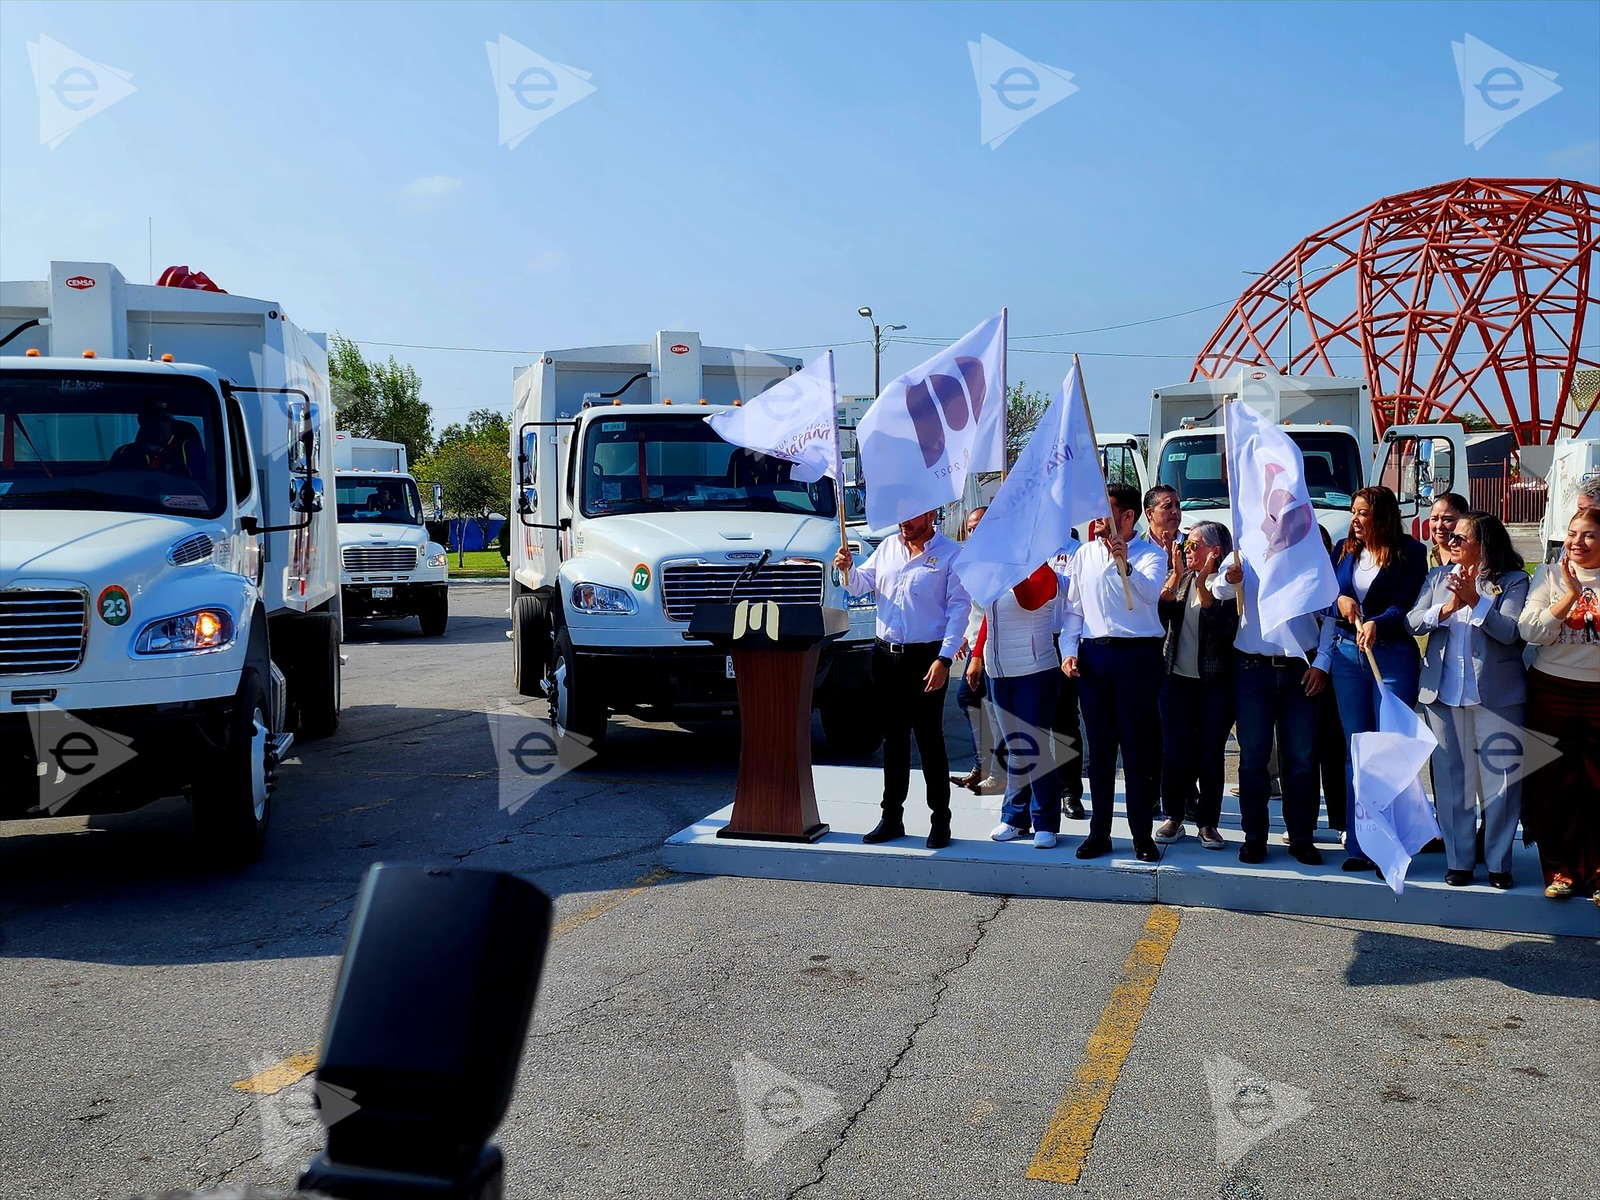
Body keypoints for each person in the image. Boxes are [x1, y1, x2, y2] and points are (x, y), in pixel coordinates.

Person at [1407, 511, 1529, 888]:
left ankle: (1498, 864)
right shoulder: (1438, 577)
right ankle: (1459, 861)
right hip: (1443, 695)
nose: (1451, 541)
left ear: (1483, 544)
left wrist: (1476, 601)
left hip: (1497, 695)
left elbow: (1510, 633)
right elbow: (1412, 621)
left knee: (1501, 783)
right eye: (1452, 537)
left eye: (1460, 538)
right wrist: (1445, 609)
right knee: (1451, 782)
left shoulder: (1513, 581)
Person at [835, 510, 970, 849]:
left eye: (911, 517)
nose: (903, 523)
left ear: (930, 515)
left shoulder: (951, 554)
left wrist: (944, 658)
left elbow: (959, 609)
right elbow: (860, 585)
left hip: (925, 658)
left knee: (929, 740)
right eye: (900, 517)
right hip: (885, 657)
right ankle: (891, 817)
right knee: (893, 741)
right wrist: (846, 569)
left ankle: (940, 820)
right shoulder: (887, 549)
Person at [1324, 486, 1429, 873]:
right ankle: (1359, 843)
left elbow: (1406, 606)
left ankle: (1395, 840)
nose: (1355, 519)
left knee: (1389, 753)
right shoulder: (1342, 549)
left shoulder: (1411, 553)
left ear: (1382, 516)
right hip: (1348, 656)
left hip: (1393, 657)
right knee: (1359, 751)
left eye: (1363, 513)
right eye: (1353, 511)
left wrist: (1377, 622)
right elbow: (1326, 594)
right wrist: (1339, 601)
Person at [1060, 483, 1165, 862]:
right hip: (1095, 657)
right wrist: (1069, 651)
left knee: (1136, 750)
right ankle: (1099, 831)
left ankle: (1141, 835)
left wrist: (1127, 565)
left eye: (1106, 510)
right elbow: (1074, 609)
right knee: (1100, 752)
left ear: (1127, 516)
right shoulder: (1084, 554)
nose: (1097, 518)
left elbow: (1151, 594)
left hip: (1137, 657)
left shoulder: (1152, 555)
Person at [1210, 551, 1333, 866]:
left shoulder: (1307, 548)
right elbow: (1217, 590)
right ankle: (1255, 838)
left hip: (1301, 668)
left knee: (1302, 759)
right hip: (1253, 669)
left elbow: (1331, 609)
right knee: (1253, 760)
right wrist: (1228, 578)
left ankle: (1302, 837)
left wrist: (1322, 661)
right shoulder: (1244, 548)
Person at [1517, 507, 1600, 903]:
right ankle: (1561, 871)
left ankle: (1597, 873)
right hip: (1551, 691)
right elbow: (1529, 630)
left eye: (1588, 535)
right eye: (1572, 534)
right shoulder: (1548, 576)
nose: (1577, 543)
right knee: (1552, 785)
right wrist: (1568, 595)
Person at [971, 561, 1067, 848]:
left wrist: (1010, 574)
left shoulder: (1044, 572)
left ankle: (1046, 821)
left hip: (1035, 671)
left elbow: (1030, 600)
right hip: (999, 672)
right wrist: (977, 655)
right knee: (1014, 747)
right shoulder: (995, 571)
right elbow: (990, 616)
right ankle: (1014, 818)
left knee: (1034, 746)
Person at [1154, 521, 1237, 850]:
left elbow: (1223, 627)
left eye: (1194, 545)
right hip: (1176, 681)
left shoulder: (1229, 584)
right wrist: (1176, 573)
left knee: (1209, 754)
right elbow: (1162, 615)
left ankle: (1208, 823)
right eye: (1186, 545)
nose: (1187, 550)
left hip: (1215, 684)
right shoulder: (1183, 578)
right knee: (1175, 752)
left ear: (1214, 551)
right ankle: (1173, 816)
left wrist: (1204, 581)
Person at [952, 507, 1003, 794]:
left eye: (979, 526)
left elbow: (991, 613)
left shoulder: (1000, 562)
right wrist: (962, 636)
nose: (974, 533)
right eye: (970, 528)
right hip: (976, 646)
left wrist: (977, 655)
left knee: (994, 711)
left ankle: (998, 773)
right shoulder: (970, 561)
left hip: (994, 649)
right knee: (970, 701)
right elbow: (967, 607)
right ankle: (984, 765)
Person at [1049, 535, 1086, 820]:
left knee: (1064, 718)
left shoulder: (1075, 551)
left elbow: (1073, 592)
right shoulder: (1025, 545)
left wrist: (1042, 572)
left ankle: (1070, 791)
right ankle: (1035, 789)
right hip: (1029, 638)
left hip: (1064, 640)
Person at [111, 403, 205, 481]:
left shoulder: (190, 451)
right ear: (142, 422)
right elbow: (109, 483)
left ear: (172, 423)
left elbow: (205, 487)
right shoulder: (123, 452)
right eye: (153, 419)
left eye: (165, 419)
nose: (159, 424)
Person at [1425, 492, 1471, 568]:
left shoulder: (1474, 558)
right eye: (1434, 519)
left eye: (1447, 520)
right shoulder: (1425, 557)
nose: (1439, 526)